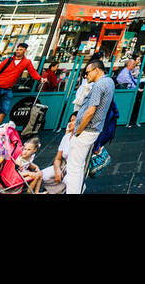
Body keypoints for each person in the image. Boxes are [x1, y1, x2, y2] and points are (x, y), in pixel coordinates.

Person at [66, 58, 114, 195]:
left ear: (96, 70)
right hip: (95, 129)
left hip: (87, 129)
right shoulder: (109, 81)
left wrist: (79, 129)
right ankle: (78, 190)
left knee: (74, 167)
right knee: (80, 165)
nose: (86, 76)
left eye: (88, 72)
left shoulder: (98, 86)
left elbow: (91, 110)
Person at [0, 42, 42, 140]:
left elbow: (32, 72)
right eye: (17, 49)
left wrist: (40, 79)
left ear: (25, 51)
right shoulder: (8, 60)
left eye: (21, 49)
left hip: (7, 90)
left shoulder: (26, 62)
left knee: (3, 112)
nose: (18, 51)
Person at [39, 114, 77, 193]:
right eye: (70, 121)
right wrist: (57, 170)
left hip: (74, 170)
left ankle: (51, 192)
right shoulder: (66, 137)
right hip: (63, 166)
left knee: (68, 183)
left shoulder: (80, 139)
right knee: (42, 175)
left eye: (73, 120)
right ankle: (51, 191)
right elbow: (58, 158)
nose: (70, 123)